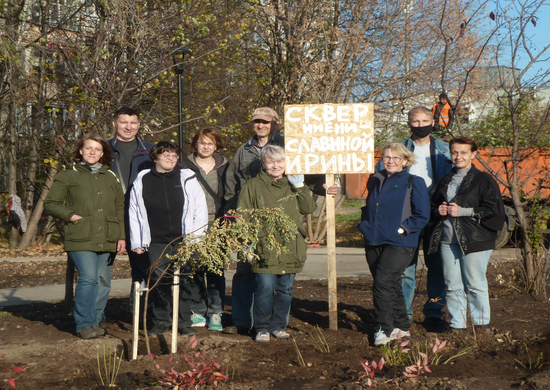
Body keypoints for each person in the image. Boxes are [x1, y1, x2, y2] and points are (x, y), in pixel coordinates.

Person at [223, 107, 338, 334]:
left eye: (266, 121)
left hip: (286, 235)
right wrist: (233, 218)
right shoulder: (243, 151)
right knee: (247, 276)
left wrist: (327, 186)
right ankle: (243, 322)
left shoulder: (290, 146)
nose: (261, 125)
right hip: (255, 224)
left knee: (279, 287)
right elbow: (231, 184)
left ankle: (273, 325)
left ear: (275, 123)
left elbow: (313, 177)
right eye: (257, 121)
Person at [376, 106, 452, 332]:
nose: (421, 125)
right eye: (416, 121)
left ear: (432, 121)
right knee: (405, 268)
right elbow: (379, 178)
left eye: (425, 120)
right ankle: (404, 314)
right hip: (406, 215)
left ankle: (434, 314)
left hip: (436, 214)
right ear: (408, 122)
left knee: (436, 267)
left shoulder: (445, 150)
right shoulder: (398, 150)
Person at [44, 133, 126, 339]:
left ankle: (96, 322)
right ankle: (84, 324)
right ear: (81, 150)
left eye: (97, 149)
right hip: (80, 235)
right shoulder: (68, 175)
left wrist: (121, 237)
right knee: (89, 278)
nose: (93, 152)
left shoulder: (111, 177)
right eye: (89, 148)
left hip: (107, 236)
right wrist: (70, 215)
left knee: (101, 280)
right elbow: (50, 204)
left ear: (102, 153)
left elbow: (119, 208)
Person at [237, 145, 316, 342]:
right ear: (263, 164)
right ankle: (262, 327)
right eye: (271, 161)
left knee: (285, 290)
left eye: (280, 161)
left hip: (291, 246)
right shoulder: (253, 186)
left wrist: (300, 186)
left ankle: (279, 325)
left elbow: (308, 208)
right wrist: (246, 243)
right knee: (264, 288)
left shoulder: (292, 184)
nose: (275, 165)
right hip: (264, 246)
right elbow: (243, 215)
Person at [129, 141, 208, 336]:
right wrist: (137, 242)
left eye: (174, 156)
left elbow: (200, 208)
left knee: (183, 279)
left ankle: (183, 322)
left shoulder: (187, 177)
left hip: (184, 239)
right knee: (159, 279)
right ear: (155, 157)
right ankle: (161, 321)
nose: (171, 159)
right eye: (166, 155)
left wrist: (197, 237)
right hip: (156, 240)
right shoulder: (143, 180)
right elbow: (134, 212)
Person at [427, 137, 505, 332]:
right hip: (447, 241)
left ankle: (480, 325)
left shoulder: (483, 180)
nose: (458, 156)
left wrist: (462, 211)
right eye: (454, 152)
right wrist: (439, 211)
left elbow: (494, 209)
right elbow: (431, 206)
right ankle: (457, 326)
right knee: (452, 285)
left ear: (473, 154)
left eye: (463, 152)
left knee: (474, 283)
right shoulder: (445, 180)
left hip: (475, 240)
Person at [359, 143, 430, 346]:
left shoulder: (413, 182)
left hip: (400, 242)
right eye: (387, 157)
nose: (390, 160)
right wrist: (363, 225)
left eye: (396, 157)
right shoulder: (375, 180)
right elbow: (371, 208)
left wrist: (403, 229)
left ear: (405, 161)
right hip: (373, 240)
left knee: (382, 281)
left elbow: (422, 214)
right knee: (390, 283)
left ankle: (383, 328)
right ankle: (402, 325)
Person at [101, 107, 154, 321]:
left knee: (141, 266)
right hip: (108, 216)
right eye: (124, 122)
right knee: (101, 268)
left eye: (133, 122)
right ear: (114, 123)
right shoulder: (102, 149)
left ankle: (139, 312)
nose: (129, 127)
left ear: (139, 125)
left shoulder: (151, 150)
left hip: (139, 217)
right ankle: (96, 315)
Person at [179, 128, 228, 331]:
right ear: (195, 145)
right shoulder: (184, 167)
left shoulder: (225, 167)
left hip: (217, 225)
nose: (206, 146)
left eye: (210, 143)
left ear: (216, 146)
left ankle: (215, 312)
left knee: (216, 270)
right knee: (195, 269)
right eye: (202, 142)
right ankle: (197, 311)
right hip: (193, 225)